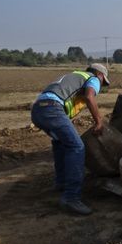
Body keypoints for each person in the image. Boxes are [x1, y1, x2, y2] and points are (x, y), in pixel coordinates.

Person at [31, 63, 110, 215]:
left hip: (38, 109)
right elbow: (89, 96)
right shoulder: (93, 78)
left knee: (60, 143)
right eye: (103, 82)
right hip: (52, 109)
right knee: (77, 147)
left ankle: (61, 183)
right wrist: (99, 122)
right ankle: (71, 198)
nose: (101, 85)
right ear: (100, 75)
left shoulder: (74, 76)